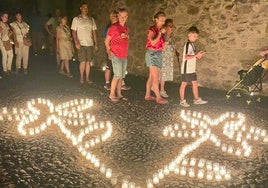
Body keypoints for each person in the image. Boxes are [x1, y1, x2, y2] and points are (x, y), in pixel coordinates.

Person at [105, 8, 129, 102]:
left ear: (127, 17)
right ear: (118, 16)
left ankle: (119, 94)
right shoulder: (114, 27)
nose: (123, 18)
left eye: (124, 16)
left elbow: (126, 41)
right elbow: (107, 41)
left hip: (124, 55)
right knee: (117, 75)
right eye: (121, 16)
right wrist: (109, 51)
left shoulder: (126, 29)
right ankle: (111, 94)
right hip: (116, 54)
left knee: (121, 76)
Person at [179, 26, 207, 107]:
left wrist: (200, 55)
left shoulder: (192, 45)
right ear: (189, 35)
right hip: (186, 69)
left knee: (195, 83)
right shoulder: (188, 45)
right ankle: (182, 101)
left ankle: (196, 99)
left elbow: (195, 56)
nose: (196, 38)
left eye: (197, 36)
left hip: (191, 68)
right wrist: (196, 55)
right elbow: (186, 57)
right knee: (184, 84)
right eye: (194, 36)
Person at [144, 11, 168, 104]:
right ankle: (158, 97)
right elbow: (152, 42)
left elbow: (160, 44)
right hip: (152, 54)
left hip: (158, 53)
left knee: (151, 76)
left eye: (164, 21)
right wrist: (159, 34)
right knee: (156, 77)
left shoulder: (161, 30)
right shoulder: (152, 30)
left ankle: (147, 95)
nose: (163, 22)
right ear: (156, 20)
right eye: (161, 20)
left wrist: (164, 43)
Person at [71, 2, 98, 84]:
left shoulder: (91, 19)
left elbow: (94, 32)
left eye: (87, 8)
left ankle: (87, 78)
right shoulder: (76, 19)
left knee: (88, 62)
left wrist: (96, 43)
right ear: (81, 8)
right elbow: (73, 31)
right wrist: (76, 42)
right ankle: (81, 77)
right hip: (81, 44)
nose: (85, 9)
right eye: (84, 7)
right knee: (82, 61)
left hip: (89, 44)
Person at [160, 19, 175, 98]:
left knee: (165, 73)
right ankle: (161, 90)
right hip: (163, 56)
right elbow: (160, 45)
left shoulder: (171, 35)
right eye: (169, 25)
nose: (171, 27)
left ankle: (160, 88)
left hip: (169, 56)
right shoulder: (163, 35)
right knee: (162, 73)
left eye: (172, 25)